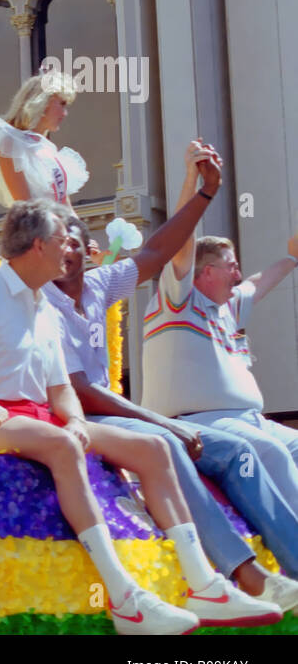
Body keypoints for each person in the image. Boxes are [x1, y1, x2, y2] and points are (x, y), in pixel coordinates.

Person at [0, 199, 282, 633]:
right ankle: (126, 600)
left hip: (35, 416)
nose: (74, 248)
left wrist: (74, 420)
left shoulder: (44, 308)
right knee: (66, 445)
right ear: (39, 244)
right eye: (64, 240)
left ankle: (205, 585)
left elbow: (60, 388)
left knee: (152, 446)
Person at [46, 140, 298, 611]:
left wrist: (205, 192)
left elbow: (159, 247)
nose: (68, 248)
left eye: (73, 239)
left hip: (188, 420)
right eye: (56, 240)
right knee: (166, 445)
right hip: (78, 418)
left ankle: (291, 570)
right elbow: (81, 392)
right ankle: (239, 578)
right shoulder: (46, 304)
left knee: (243, 453)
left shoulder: (100, 285)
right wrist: (166, 422)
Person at [141, 148, 298, 513]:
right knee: (270, 452)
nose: (239, 275)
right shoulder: (177, 298)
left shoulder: (226, 306)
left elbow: (259, 283)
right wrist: (193, 182)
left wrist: (292, 257)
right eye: (232, 267)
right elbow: (179, 243)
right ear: (206, 271)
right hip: (197, 424)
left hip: (251, 420)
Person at [0, 69, 89, 212]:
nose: (65, 113)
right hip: (37, 230)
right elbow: (26, 205)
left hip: (59, 229)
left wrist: (79, 232)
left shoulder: (49, 149)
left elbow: (65, 205)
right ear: (43, 102)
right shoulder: (9, 143)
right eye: (62, 104)